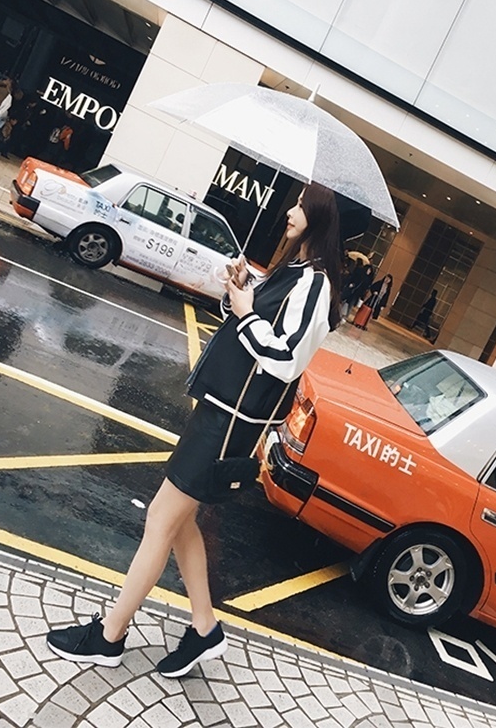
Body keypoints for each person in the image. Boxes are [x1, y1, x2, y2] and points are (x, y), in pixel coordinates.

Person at [46, 182, 343, 678]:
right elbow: (250, 328)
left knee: (161, 518)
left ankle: (109, 636)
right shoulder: (291, 272)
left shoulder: (316, 283)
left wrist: (247, 313)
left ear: (321, 216)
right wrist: (240, 291)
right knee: (180, 522)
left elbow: (285, 358)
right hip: (219, 410)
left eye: (300, 205)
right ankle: (205, 628)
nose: (290, 211)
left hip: (233, 422)